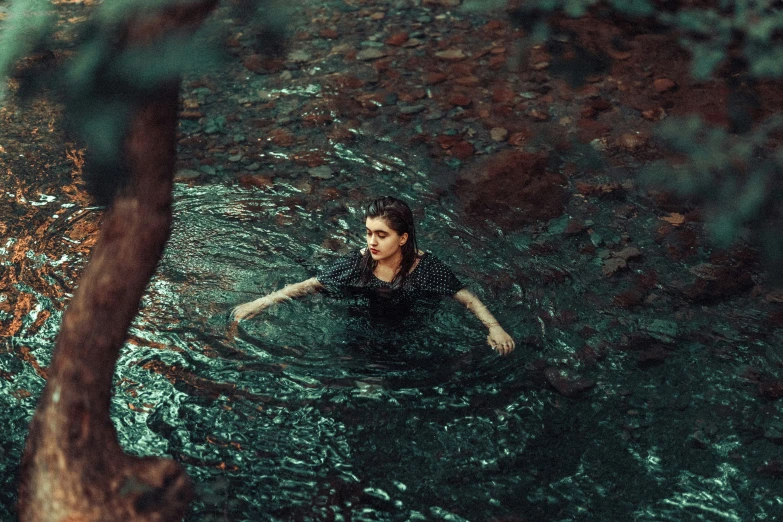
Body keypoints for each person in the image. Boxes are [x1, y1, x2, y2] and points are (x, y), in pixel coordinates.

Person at [231, 196, 516, 355]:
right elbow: (312, 284)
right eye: (369, 233)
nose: (372, 242)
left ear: (403, 238)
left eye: (382, 235)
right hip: (361, 325)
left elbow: (466, 298)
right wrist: (261, 303)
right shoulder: (358, 263)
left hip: (410, 328)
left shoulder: (427, 268)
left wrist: (494, 327)